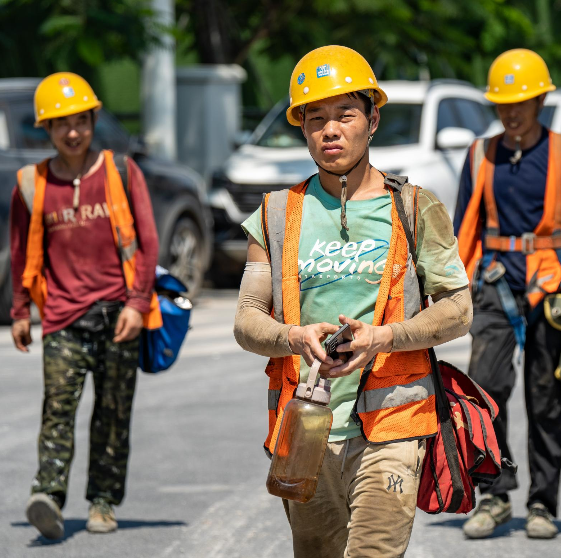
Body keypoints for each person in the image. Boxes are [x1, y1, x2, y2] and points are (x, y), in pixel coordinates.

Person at [233, 45, 472, 557]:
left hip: (393, 428)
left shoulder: (416, 207)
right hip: (304, 431)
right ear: (301, 128)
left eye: (345, 114)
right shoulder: (274, 215)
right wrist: (294, 337)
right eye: (315, 118)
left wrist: (384, 337)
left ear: (373, 119)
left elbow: (458, 309)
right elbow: (247, 322)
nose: (330, 130)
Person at [453, 49, 561, 540]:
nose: (511, 112)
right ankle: (495, 495)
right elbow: (462, 230)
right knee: (484, 391)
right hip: (496, 287)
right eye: (503, 104)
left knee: (545, 399)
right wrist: (450, 291)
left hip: (552, 291)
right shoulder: (481, 154)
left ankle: (543, 503)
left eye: (521, 101)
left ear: (541, 99)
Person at [9, 72, 161, 540]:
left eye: (80, 121)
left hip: (120, 315)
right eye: (60, 124)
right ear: (46, 130)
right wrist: (19, 310)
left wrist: (137, 303)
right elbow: (19, 252)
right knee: (58, 408)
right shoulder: (31, 185)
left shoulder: (120, 171)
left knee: (113, 414)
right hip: (62, 318)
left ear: (93, 120)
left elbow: (150, 241)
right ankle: (48, 496)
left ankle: (102, 502)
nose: (72, 132)